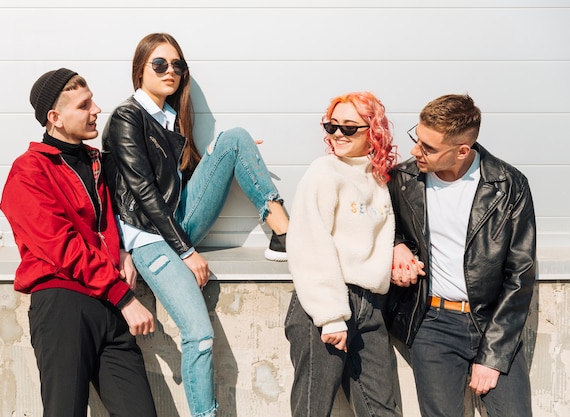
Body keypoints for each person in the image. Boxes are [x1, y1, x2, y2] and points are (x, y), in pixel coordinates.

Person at [101, 33, 289, 417]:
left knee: (234, 139)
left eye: (177, 66)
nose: (170, 71)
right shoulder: (127, 116)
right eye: (160, 64)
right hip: (149, 238)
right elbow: (145, 192)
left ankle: (284, 234)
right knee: (200, 337)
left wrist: (223, 159)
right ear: (140, 70)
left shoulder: (169, 117)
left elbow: (177, 185)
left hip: (176, 222)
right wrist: (186, 251)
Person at [0, 68, 157, 417]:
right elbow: (62, 246)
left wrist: (123, 249)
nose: (97, 109)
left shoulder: (98, 162)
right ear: (55, 118)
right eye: (84, 105)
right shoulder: (28, 172)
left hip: (108, 303)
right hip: (64, 304)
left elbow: (133, 201)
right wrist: (124, 296)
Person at [387, 94, 536, 417]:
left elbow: (520, 275)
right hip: (433, 323)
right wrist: (396, 246)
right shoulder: (403, 180)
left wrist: (492, 356)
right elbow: (380, 228)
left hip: (491, 321)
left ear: (462, 150)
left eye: (428, 147)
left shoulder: (508, 186)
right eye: (417, 139)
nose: (415, 151)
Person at [284, 92, 402, 417]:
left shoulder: (380, 179)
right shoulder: (324, 172)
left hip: (370, 307)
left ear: (373, 132)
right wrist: (331, 315)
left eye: (349, 128)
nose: (337, 134)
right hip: (324, 307)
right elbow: (308, 242)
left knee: (383, 410)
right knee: (312, 410)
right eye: (331, 126)